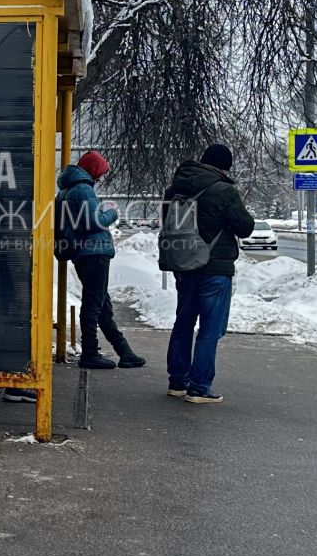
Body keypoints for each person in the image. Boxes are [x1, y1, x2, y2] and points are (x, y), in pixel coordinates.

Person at [163, 143, 256, 403]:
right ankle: (200, 387)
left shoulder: (174, 190)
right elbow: (245, 227)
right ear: (224, 166)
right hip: (214, 268)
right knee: (209, 329)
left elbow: (166, 222)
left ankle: (177, 382)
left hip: (183, 266)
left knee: (183, 323)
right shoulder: (224, 191)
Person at [56, 149, 145, 370]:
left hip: (82, 253)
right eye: (100, 172)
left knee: (101, 304)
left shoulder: (66, 191)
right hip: (94, 252)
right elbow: (93, 222)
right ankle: (90, 353)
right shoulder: (84, 190)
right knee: (94, 304)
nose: (101, 177)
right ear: (94, 170)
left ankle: (124, 351)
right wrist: (112, 213)